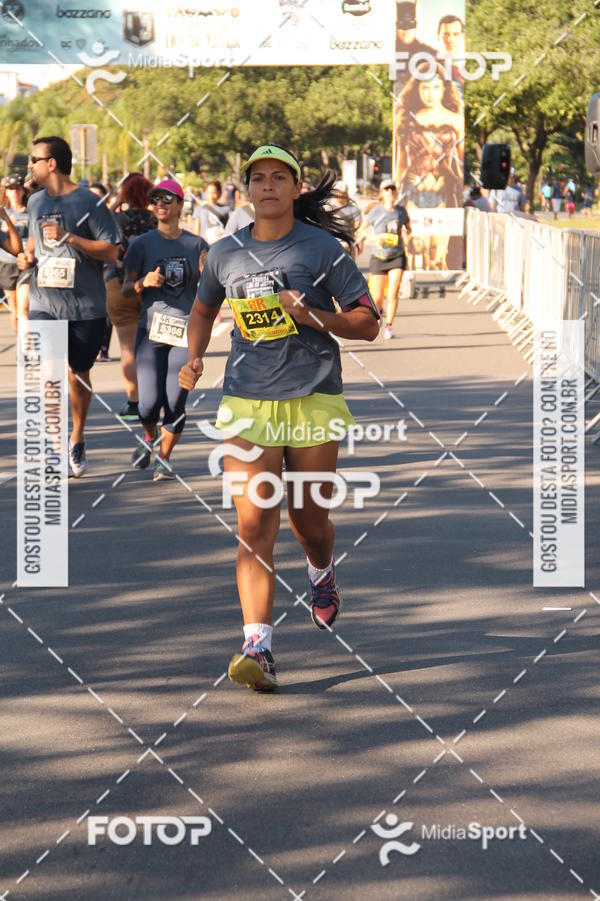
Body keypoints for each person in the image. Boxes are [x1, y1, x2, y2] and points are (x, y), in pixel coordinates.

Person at [178, 145, 379, 691]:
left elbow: (367, 324)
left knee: (308, 522)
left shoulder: (322, 250)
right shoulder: (225, 253)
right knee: (253, 524)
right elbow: (201, 310)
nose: (267, 186)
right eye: (258, 178)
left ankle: (321, 570)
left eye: (278, 178)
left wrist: (308, 313)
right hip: (246, 400)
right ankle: (257, 647)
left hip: (313, 398)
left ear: (295, 188)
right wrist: (194, 356)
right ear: (246, 191)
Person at [17, 136, 120, 477]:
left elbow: (111, 251)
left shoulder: (89, 202)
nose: (29, 165)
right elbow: (33, 244)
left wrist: (70, 237)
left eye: (34, 159)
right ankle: (56, 447)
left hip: (86, 305)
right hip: (45, 300)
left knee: (77, 374)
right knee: (49, 375)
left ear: (52, 163)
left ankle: (77, 436)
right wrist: (26, 257)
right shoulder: (34, 202)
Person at [122, 179, 208, 480]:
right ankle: (149, 437)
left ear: (181, 205)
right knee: (147, 406)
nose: (160, 203)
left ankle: (164, 456)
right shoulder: (140, 245)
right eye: (155, 198)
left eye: (167, 198)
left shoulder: (197, 245)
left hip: (185, 333)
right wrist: (142, 283)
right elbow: (125, 289)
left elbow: (210, 287)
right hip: (151, 332)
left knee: (175, 401)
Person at [105, 173, 157, 419]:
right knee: (153, 345)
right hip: (151, 285)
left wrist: (117, 200)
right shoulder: (156, 220)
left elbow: (102, 217)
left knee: (127, 347)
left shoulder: (116, 219)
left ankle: (134, 402)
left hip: (119, 283)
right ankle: (154, 398)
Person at [362, 179, 411, 339]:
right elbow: (361, 230)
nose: (390, 192)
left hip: (397, 256)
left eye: (392, 189)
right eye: (387, 189)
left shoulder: (401, 212)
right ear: (381, 193)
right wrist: (374, 238)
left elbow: (408, 229)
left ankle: (389, 326)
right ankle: (379, 313)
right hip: (379, 257)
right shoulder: (376, 212)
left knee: (393, 292)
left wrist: (406, 235)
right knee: (377, 297)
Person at [0, 174, 29, 331]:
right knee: (14, 307)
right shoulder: (2, 212)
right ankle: (21, 341)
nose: (14, 192)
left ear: (23, 190)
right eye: (10, 189)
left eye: (17, 188)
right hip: (6, 263)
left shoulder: (30, 211)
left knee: (24, 308)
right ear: (6, 192)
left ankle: (26, 345)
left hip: (25, 263)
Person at [89, 183, 113, 362]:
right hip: (86, 274)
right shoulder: (80, 218)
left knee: (107, 313)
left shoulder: (110, 218)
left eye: (99, 196)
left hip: (107, 271)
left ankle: (103, 349)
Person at [192, 179, 230, 245]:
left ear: (219, 193)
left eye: (214, 193)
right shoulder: (200, 208)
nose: (211, 196)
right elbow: (196, 231)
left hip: (220, 246)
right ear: (206, 192)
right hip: (204, 246)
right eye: (209, 193)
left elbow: (229, 230)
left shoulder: (226, 209)